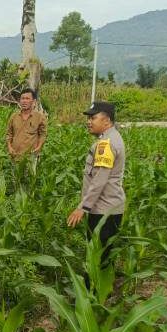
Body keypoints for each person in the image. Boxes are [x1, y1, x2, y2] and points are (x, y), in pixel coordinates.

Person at [67, 101, 125, 271]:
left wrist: (83, 207)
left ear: (106, 121)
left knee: (97, 258)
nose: (89, 121)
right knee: (103, 256)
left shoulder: (106, 144)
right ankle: (99, 293)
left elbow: (99, 180)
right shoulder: (111, 138)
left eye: (93, 118)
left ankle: (91, 295)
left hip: (103, 210)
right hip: (108, 208)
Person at [5, 88, 47, 190]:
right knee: (16, 182)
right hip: (16, 156)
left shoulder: (39, 117)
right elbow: (8, 134)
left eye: (27, 98)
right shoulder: (14, 117)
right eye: (22, 98)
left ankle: (28, 203)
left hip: (30, 157)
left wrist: (39, 147)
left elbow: (43, 134)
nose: (24, 101)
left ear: (34, 102)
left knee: (29, 182)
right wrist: (9, 147)